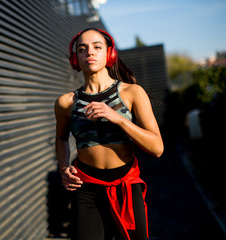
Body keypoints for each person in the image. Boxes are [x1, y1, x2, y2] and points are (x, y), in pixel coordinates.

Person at [54, 28, 164, 240]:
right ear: (75, 59)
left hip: (126, 186)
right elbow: (60, 139)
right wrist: (63, 169)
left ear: (109, 54)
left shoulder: (132, 92)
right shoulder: (66, 102)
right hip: (85, 188)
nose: (90, 53)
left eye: (97, 47)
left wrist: (118, 118)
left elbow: (157, 148)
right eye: (82, 49)